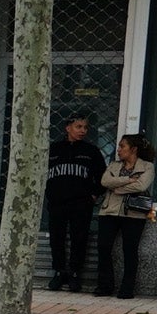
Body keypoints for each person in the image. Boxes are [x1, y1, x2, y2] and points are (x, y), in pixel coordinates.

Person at [46, 115, 104, 290]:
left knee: (79, 238)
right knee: (57, 237)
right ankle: (59, 271)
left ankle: (75, 273)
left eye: (85, 127)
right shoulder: (54, 149)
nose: (82, 131)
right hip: (57, 202)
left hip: (81, 203)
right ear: (68, 128)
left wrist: (94, 194)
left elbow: (103, 177)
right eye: (78, 127)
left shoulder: (91, 151)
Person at [95, 132, 154, 298]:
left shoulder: (147, 166)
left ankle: (127, 288)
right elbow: (105, 181)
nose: (119, 150)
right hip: (109, 211)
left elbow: (141, 186)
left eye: (122, 146)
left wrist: (118, 188)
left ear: (133, 149)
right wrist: (128, 180)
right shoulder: (114, 165)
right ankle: (105, 286)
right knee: (103, 247)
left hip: (134, 214)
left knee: (130, 250)